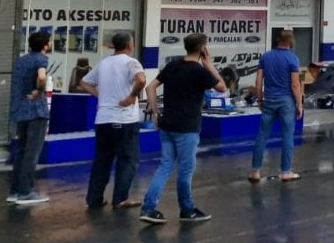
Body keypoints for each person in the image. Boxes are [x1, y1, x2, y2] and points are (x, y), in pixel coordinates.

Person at [140, 33, 226, 224]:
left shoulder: (173, 66)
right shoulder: (199, 71)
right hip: (187, 127)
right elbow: (222, 87)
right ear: (203, 49)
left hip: (168, 124)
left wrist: (155, 113)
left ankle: (148, 208)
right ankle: (187, 210)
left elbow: (150, 87)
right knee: (186, 170)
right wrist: (209, 64)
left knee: (165, 166)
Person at [80, 33, 146, 209]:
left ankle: (94, 198)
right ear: (130, 45)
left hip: (103, 119)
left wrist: (100, 95)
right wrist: (132, 96)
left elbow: (84, 82)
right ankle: (120, 198)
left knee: (102, 160)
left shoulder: (103, 63)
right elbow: (141, 79)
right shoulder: (131, 62)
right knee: (128, 159)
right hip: (124, 120)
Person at [248, 31, 304, 183]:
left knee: (262, 136)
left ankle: (255, 172)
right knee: (287, 136)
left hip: (269, 101)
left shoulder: (265, 57)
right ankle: (286, 172)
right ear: (291, 42)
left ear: (278, 40)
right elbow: (295, 85)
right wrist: (299, 104)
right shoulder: (293, 58)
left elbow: (258, 82)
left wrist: (260, 100)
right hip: (286, 102)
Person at [8, 31, 53, 206]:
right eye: (49, 41)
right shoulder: (41, 59)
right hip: (36, 111)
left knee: (21, 151)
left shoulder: (21, 60)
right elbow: (41, 77)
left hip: (20, 110)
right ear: (45, 45)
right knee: (32, 152)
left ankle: (15, 190)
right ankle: (26, 191)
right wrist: (39, 91)